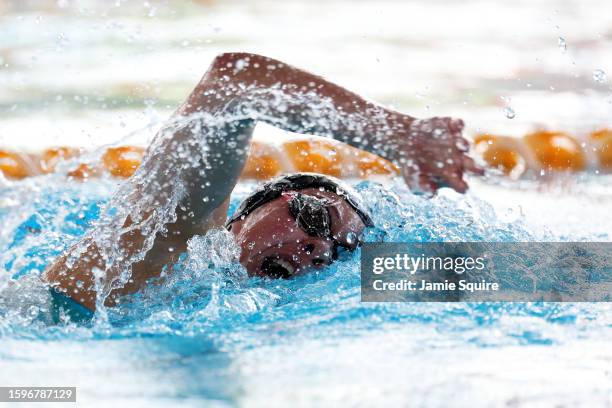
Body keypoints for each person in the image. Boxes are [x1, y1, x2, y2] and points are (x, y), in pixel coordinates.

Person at [42, 52, 482, 320]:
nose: (318, 248)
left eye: (339, 251)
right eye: (314, 216)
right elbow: (232, 82)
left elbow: (532, 275)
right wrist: (397, 135)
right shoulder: (175, 235)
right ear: (242, 215)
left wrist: (543, 272)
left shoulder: (255, 308)